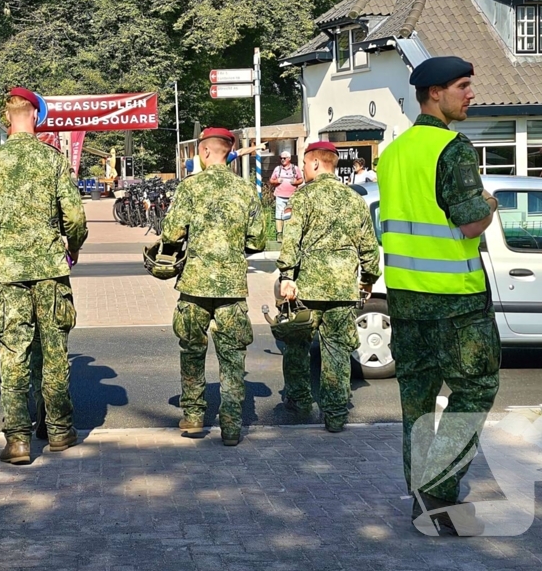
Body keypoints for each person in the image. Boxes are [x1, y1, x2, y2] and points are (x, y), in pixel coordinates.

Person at [377, 56, 499, 536]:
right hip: (456, 302)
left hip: (406, 300)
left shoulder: (395, 151)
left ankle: (423, 496)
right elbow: (470, 221)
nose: (471, 94)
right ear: (434, 94)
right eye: (463, 86)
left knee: (418, 402)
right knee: (475, 390)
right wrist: (490, 201)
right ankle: (439, 494)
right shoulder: (453, 148)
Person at [0, 87, 88, 465]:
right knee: (54, 353)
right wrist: (74, 246)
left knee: (13, 354)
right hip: (51, 271)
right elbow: (75, 217)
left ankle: (18, 441)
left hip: (8, 272)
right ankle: (59, 430)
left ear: (7, 118)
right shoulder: (53, 161)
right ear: (35, 116)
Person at [161, 127, 266, 446]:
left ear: (205, 152)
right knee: (233, 355)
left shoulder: (189, 188)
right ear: (227, 151)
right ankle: (232, 426)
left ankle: (193, 417)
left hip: (194, 284)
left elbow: (171, 233)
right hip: (232, 287)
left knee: (192, 350)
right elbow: (258, 239)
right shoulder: (245, 190)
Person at [275, 141, 380, 433]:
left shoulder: (303, 197)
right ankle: (334, 413)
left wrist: (286, 276)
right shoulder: (354, 199)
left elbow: (291, 240)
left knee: (296, 346)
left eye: (306, 164)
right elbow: (369, 247)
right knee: (336, 351)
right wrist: (368, 279)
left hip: (307, 289)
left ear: (317, 163)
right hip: (343, 290)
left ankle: (299, 400)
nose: (304, 170)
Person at [269, 150, 301, 242]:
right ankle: (279, 235)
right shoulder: (277, 169)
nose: (282, 160)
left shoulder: (295, 168)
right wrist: (276, 181)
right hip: (280, 195)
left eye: (284, 158)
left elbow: (301, 180)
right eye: (281, 158)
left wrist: (295, 182)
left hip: (292, 196)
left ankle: (290, 234)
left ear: (289, 159)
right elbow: (271, 180)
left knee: (290, 215)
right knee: (279, 215)